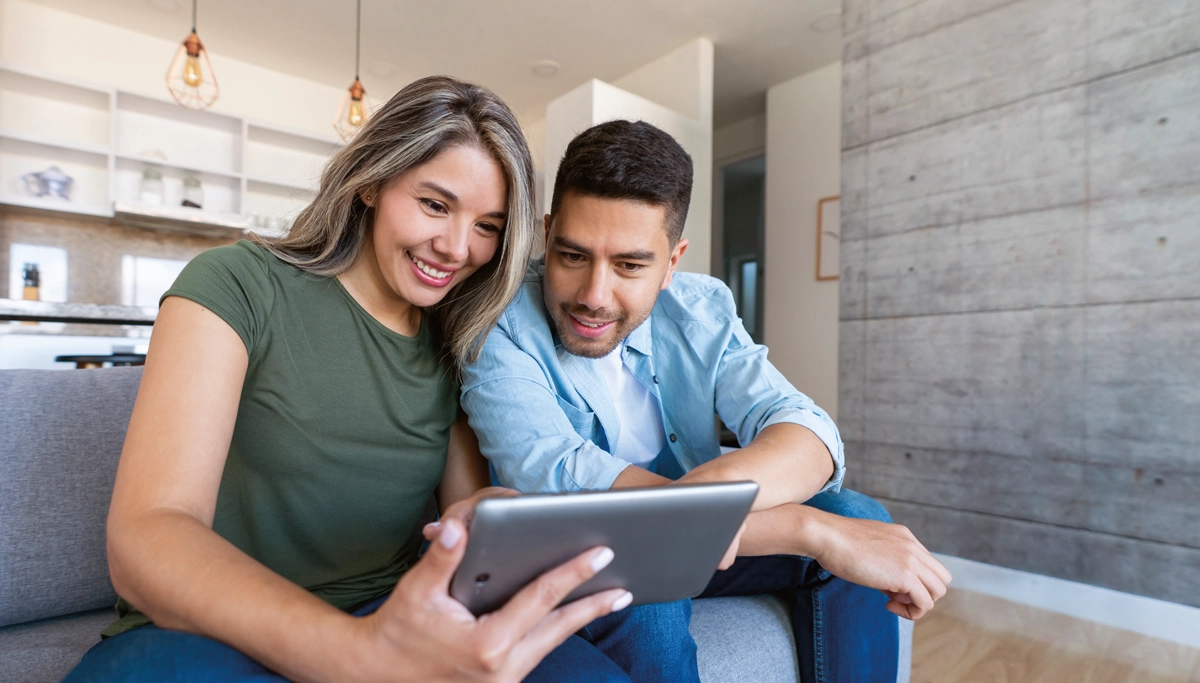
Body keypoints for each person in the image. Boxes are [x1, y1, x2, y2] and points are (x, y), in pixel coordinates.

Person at [64, 77, 643, 683]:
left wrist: (493, 516)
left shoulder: (455, 339)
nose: (455, 248)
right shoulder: (237, 284)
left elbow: (462, 509)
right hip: (206, 631)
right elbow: (147, 535)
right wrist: (358, 652)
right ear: (370, 179)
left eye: (487, 226)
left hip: (389, 613)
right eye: (435, 205)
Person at [460, 120, 954, 683]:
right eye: (572, 255)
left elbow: (804, 429)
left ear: (673, 261)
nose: (594, 296)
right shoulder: (498, 321)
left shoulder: (703, 308)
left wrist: (700, 517)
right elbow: (558, 482)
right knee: (649, 589)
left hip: (704, 545)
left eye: (629, 265)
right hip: (575, 556)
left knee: (860, 515)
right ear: (547, 235)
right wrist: (807, 530)